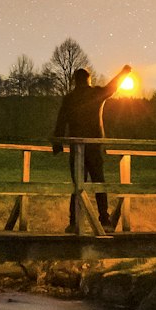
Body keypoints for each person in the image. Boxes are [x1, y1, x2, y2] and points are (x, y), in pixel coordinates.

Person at [52, 64, 131, 230]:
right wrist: (123, 73)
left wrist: (57, 142)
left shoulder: (69, 99)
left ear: (75, 81)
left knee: (78, 186)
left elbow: (61, 121)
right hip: (94, 146)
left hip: (76, 147)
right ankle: (104, 219)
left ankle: (74, 223)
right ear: (89, 79)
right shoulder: (95, 93)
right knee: (99, 183)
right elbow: (113, 86)